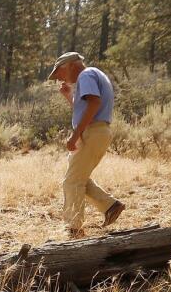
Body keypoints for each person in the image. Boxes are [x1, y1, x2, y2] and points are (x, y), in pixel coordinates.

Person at [47, 52, 126, 238]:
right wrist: (69, 96)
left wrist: (75, 135)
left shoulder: (86, 75)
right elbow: (86, 106)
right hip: (97, 132)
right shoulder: (94, 74)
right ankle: (110, 206)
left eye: (60, 73)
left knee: (72, 181)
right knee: (78, 177)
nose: (59, 77)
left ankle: (74, 229)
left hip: (92, 132)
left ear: (70, 66)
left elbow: (94, 104)